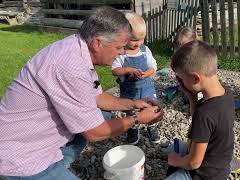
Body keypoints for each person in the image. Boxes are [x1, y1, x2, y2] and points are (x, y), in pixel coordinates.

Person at [0, 6, 163, 180]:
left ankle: (61, 163)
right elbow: (93, 132)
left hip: (35, 138)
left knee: (103, 114)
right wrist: (138, 119)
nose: (123, 52)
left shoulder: (78, 48)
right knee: (98, 122)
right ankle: (54, 167)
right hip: (20, 158)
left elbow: (97, 97)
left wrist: (132, 104)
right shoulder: (70, 66)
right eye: (119, 47)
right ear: (98, 43)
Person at [166, 40, 235, 180]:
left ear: (196, 78)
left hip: (205, 175)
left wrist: (175, 162)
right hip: (220, 164)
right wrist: (192, 98)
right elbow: (204, 126)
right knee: (171, 149)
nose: (181, 83)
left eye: (182, 79)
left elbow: (194, 162)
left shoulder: (204, 114)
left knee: (173, 159)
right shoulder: (225, 95)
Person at [111, 12, 160, 145]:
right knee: (131, 111)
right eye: (133, 40)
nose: (138, 43)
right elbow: (115, 70)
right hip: (129, 91)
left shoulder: (145, 50)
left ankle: (152, 125)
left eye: (141, 39)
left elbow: (153, 66)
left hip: (146, 87)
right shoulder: (121, 53)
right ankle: (133, 128)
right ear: (125, 36)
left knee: (152, 106)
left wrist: (146, 73)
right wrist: (128, 70)